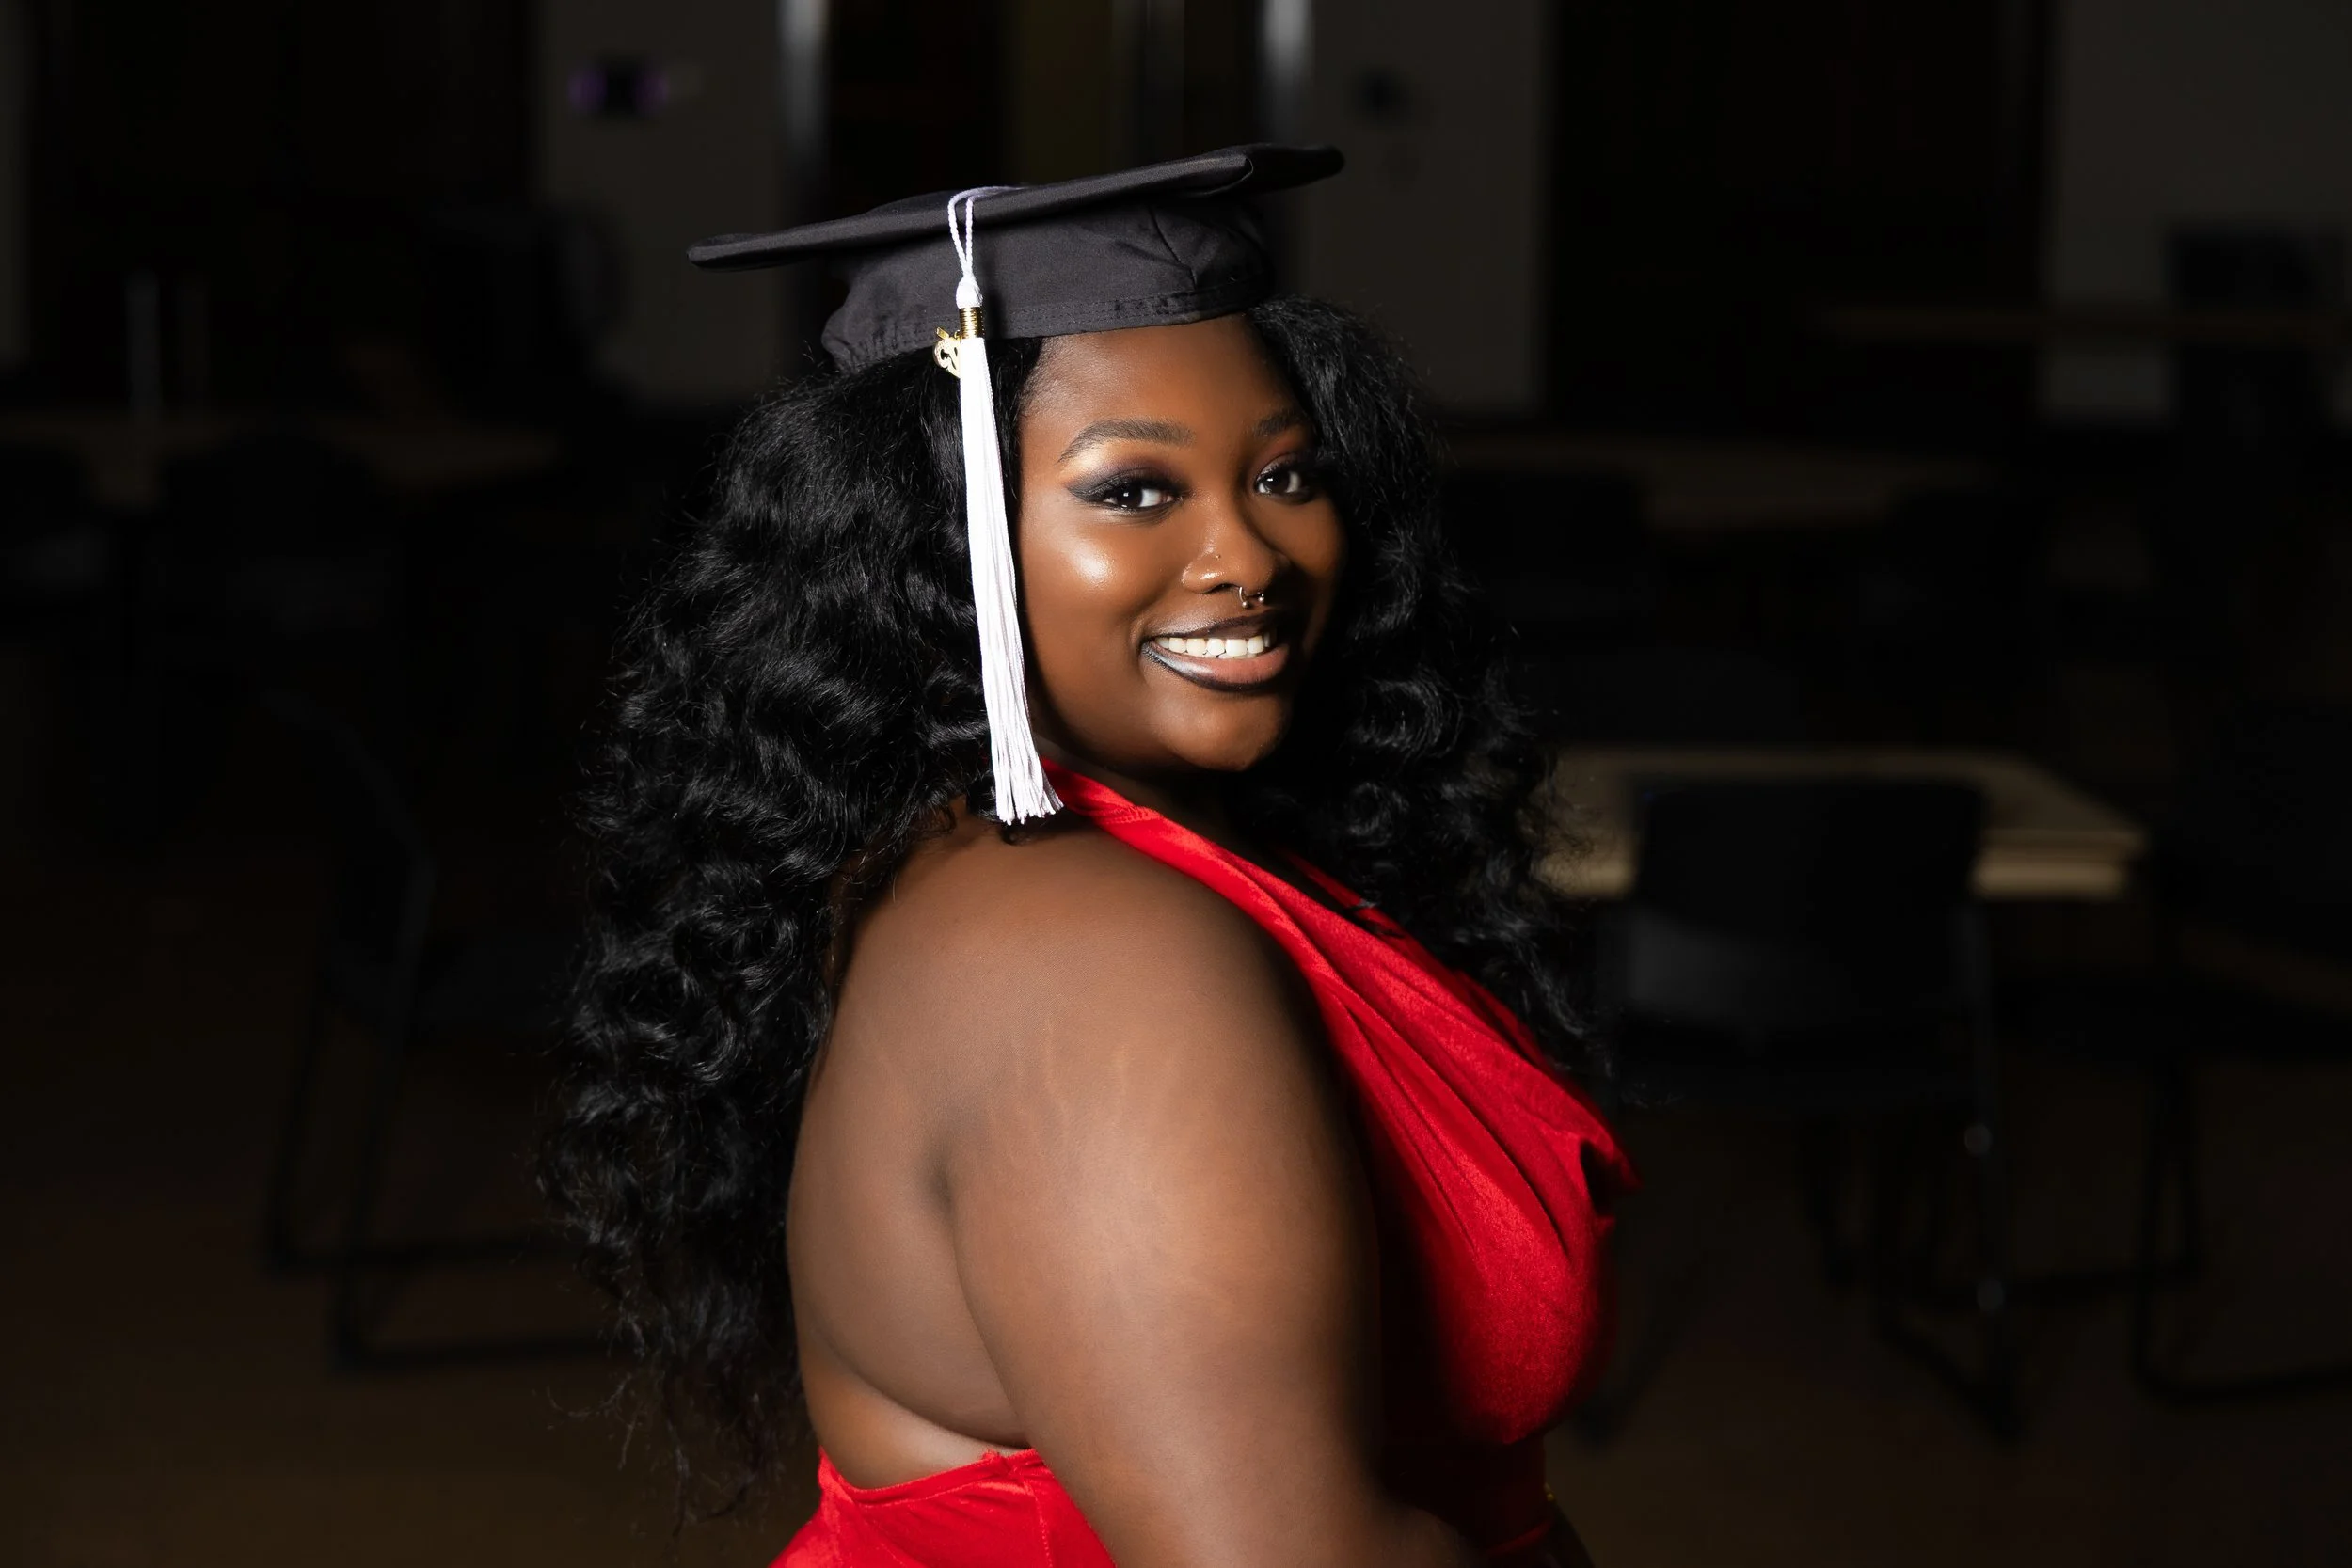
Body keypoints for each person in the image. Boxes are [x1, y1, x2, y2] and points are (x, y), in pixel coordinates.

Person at [544, 145, 1633, 1568]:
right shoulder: (1086, 951)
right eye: (1135, 491)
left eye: (1287, 471)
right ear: (943, 544)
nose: (1252, 551)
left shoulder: (1026, 868)